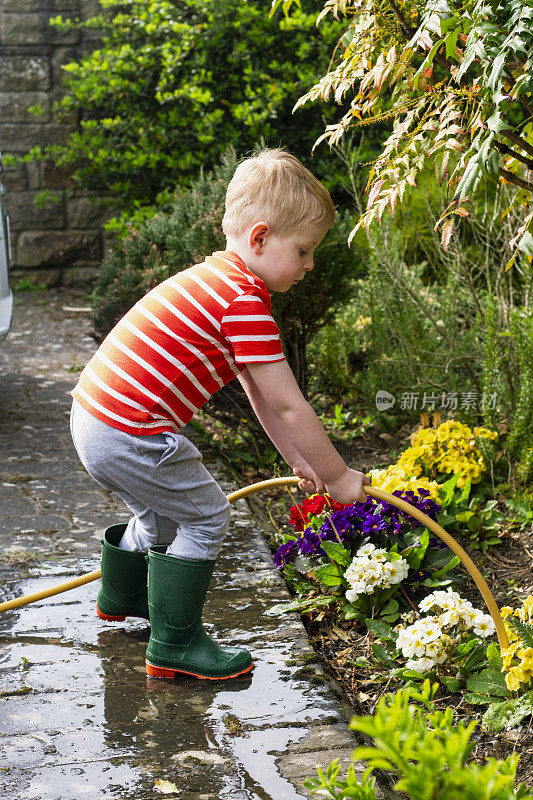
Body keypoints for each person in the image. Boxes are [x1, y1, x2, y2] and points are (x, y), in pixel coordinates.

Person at [70, 148, 371, 682]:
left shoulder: (215, 281)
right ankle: (175, 645)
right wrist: (339, 477)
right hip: (129, 431)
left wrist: (300, 461)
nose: (307, 266)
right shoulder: (244, 303)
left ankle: (120, 597)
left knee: (158, 514)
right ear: (259, 238)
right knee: (207, 516)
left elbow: (259, 395)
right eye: (302, 251)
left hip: (94, 419)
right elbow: (286, 402)